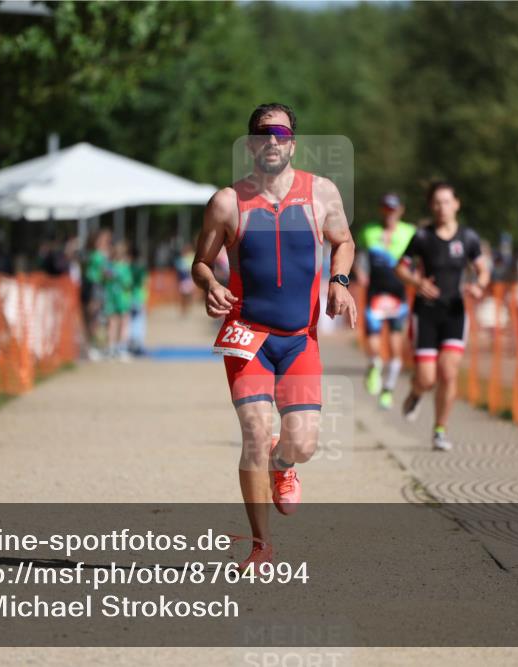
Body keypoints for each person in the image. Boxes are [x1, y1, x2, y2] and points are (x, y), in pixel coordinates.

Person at [192, 102, 356, 569]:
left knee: (302, 443)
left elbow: (344, 242)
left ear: (292, 143)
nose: (272, 140)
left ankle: (283, 466)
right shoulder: (228, 202)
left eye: (280, 133)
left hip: (300, 338)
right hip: (247, 335)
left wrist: (339, 282)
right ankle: (261, 545)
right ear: (250, 144)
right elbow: (200, 262)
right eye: (263, 133)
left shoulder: (321, 194)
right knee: (254, 431)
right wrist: (211, 284)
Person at [395, 181, 490, 451]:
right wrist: (417, 282)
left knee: (448, 371)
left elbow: (482, 268)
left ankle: (439, 430)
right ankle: (416, 393)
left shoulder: (468, 238)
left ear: (456, 204)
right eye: (437, 202)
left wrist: (479, 285)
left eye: (447, 201)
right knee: (427, 378)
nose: (442, 207)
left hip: (454, 313)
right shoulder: (422, 237)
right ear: (431, 206)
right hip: (425, 314)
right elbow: (400, 268)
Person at [354, 193, 416, 409]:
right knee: (372, 340)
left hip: (398, 294)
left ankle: (388, 389)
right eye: (385, 209)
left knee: (396, 344)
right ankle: (374, 365)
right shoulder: (368, 231)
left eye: (393, 209)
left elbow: (419, 258)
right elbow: (357, 254)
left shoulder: (410, 232)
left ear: (400, 210)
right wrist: (359, 272)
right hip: (375, 293)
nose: (389, 214)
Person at [83, 228, 112, 360]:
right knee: (93, 317)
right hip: (94, 287)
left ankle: (95, 346)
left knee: (98, 318)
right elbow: (105, 271)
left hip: (99, 287)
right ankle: (91, 347)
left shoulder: (101, 255)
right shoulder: (97, 255)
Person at [103, 239, 134, 361]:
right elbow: (128, 283)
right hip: (121, 299)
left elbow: (104, 278)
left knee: (112, 323)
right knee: (123, 323)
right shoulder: (124, 267)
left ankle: (112, 347)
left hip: (111, 297)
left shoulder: (109, 267)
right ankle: (121, 348)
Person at [175, 243, 195, 316]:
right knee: (183, 295)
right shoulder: (180, 260)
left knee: (188, 295)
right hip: (183, 280)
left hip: (189, 279)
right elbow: (178, 272)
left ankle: (187, 308)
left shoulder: (191, 257)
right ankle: (184, 309)